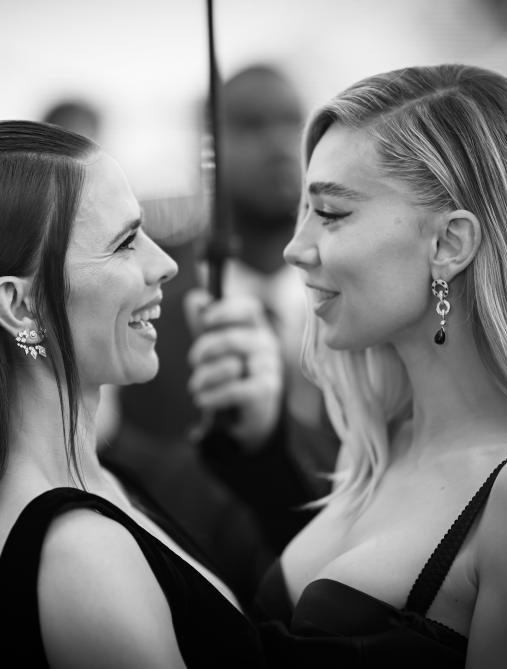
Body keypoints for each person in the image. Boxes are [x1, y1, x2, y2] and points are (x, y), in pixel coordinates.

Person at [251, 64, 507, 668]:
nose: (295, 247)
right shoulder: (381, 443)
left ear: (448, 245)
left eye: (331, 213)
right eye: (302, 213)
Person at [0, 121, 266, 668]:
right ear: (20, 308)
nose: (165, 264)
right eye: (125, 243)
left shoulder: (88, 488)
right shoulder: (78, 556)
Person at [104, 64, 339, 602]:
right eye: (251, 126)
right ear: (205, 150)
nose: (281, 143)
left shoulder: (360, 290)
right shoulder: (147, 295)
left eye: (290, 122)